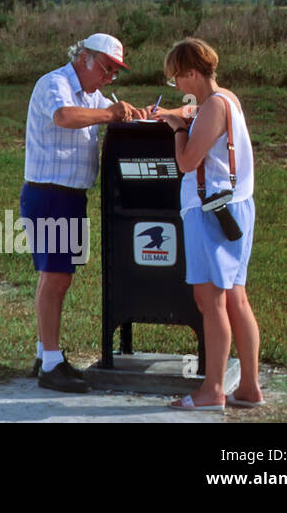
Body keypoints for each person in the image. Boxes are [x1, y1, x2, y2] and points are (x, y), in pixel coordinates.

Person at [22, 33, 145, 392]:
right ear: (86, 59)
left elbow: (112, 112)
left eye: (114, 74)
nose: (109, 78)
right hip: (50, 193)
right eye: (107, 68)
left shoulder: (93, 95)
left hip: (71, 195)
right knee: (55, 276)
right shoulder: (54, 84)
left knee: (60, 276)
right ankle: (51, 364)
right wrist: (110, 113)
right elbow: (64, 117)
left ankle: (46, 353)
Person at [154, 37, 263, 410]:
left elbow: (187, 161)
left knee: (210, 300)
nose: (177, 86)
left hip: (209, 212)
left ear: (192, 73)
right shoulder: (226, 99)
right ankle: (249, 386)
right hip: (236, 209)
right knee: (236, 298)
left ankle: (212, 390)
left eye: (177, 79)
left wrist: (176, 128)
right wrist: (178, 113)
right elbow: (201, 118)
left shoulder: (212, 108)